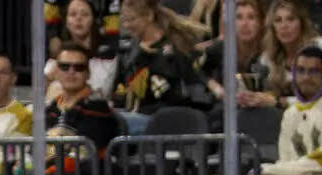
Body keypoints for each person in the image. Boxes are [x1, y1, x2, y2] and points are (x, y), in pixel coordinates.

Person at [209, 45, 322, 175]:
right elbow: (286, 159)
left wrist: (271, 170)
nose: (306, 77)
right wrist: (273, 170)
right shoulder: (291, 112)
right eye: (301, 71)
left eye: (314, 71)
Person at [16, 42, 125, 175]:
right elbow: (32, 151)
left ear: (88, 73)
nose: (71, 72)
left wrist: (39, 174)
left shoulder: (98, 109)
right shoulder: (49, 110)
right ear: (56, 71)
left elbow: (83, 155)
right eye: (65, 67)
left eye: (79, 67)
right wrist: (20, 172)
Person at [114, 0, 214, 133]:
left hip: (166, 121)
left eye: (131, 20)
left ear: (149, 15)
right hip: (136, 116)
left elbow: (183, 93)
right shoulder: (131, 52)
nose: (127, 25)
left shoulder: (175, 49)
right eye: (124, 20)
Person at [243, 0, 322, 108]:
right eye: (278, 20)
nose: (284, 26)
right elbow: (266, 95)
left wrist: (279, 102)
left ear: (301, 23)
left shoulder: (321, 48)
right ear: (272, 27)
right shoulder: (267, 59)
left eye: (290, 19)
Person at [46, 0, 122, 101]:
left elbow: (100, 92)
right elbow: (41, 93)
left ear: (93, 21)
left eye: (85, 14)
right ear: (67, 22)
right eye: (73, 14)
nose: (78, 18)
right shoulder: (58, 57)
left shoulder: (106, 56)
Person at [198, 0, 269, 102]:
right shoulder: (220, 49)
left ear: (260, 23)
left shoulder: (268, 51)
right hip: (224, 107)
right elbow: (198, 73)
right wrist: (216, 88)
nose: (245, 24)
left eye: (251, 17)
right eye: (239, 17)